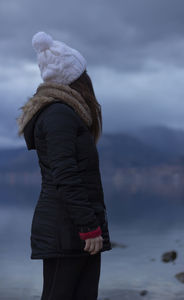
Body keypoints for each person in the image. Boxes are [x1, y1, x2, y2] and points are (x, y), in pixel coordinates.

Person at [16, 31, 112, 300]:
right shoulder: (59, 114)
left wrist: (91, 225)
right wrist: (88, 227)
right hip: (67, 229)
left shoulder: (70, 114)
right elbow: (65, 173)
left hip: (77, 228)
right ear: (78, 78)